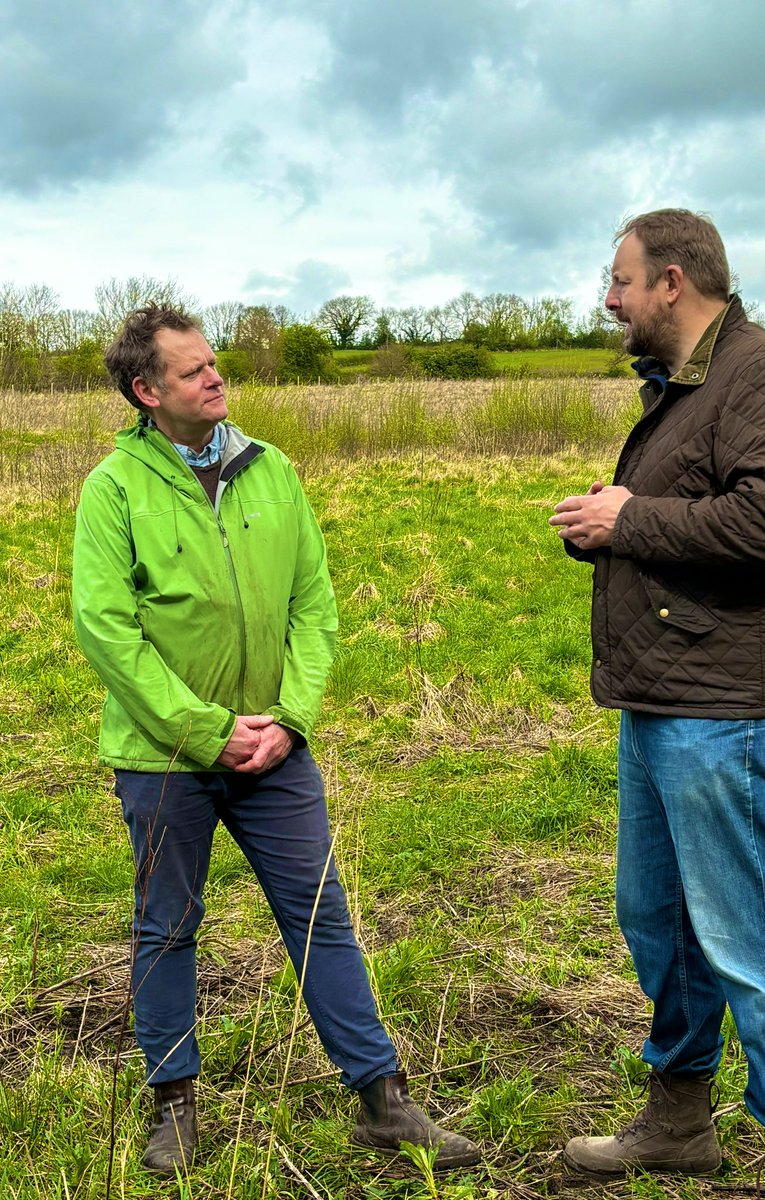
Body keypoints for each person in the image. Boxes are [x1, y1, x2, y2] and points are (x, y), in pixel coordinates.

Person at [72, 305, 480, 1177]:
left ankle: (382, 1101)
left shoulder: (274, 472)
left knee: (321, 917)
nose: (214, 378)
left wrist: (289, 721)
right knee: (167, 927)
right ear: (147, 392)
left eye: (213, 363)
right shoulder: (113, 489)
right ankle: (174, 1105)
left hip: (276, 755)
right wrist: (207, 731)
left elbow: (314, 606)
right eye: (191, 371)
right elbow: (106, 630)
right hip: (166, 757)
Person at [549, 210, 765, 1199]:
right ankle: (678, 1125)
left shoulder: (760, 376)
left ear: (672, 281)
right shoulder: (686, 387)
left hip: (732, 708)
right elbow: (691, 515)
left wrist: (633, 517)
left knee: (752, 942)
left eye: (621, 279)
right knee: (663, 925)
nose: (609, 297)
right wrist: (608, 526)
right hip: (666, 697)